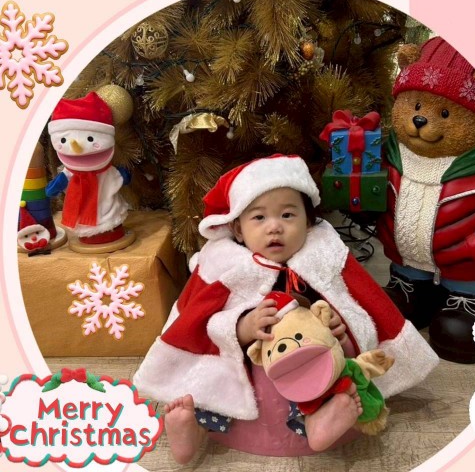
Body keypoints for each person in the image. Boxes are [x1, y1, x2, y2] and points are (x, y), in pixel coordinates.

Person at [133, 154, 438, 464]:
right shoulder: (226, 268)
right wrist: (242, 327)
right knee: (210, 382)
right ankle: (194, 429)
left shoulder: (322, 262)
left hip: (305, 361)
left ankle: (318, 422)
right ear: (238, 229)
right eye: (259, 218)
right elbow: (201, 326)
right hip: (242, 362)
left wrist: (341, 331)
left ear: (308, 222)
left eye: (288, 215)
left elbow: (358, 311)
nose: (275, 227)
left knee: (316, 373)